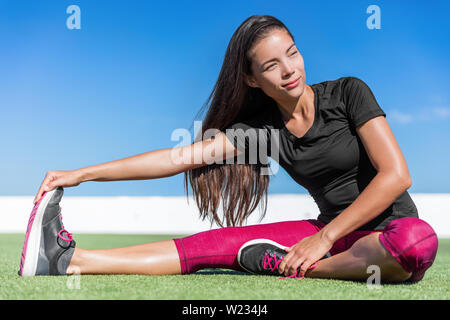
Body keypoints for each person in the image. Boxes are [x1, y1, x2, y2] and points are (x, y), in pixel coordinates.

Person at [19, 15, 438, 283]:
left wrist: (324, 239)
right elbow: (176, 158)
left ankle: (296, 268)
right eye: (272, 65)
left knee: (417, 244)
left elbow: (396, 175)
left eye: (292, 53)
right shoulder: (263, 130)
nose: (289, 69)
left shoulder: (348, 93)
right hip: (326, 237)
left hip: (386, 233)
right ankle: (68, 261)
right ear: (253, 79)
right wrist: (80, 174)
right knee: (213, 244)